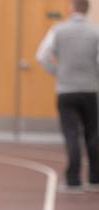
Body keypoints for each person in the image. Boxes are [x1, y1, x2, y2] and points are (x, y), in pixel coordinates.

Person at [36, 0, 99, 193]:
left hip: (66, 91)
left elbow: (42, 56)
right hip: (90, 90)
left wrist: (57, 71)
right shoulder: (96, 32)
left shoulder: (58, 30)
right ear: (87, 10)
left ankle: (73, 181)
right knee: (93, 135)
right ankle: (95, 179)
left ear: (71, 9)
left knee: (71, 134)